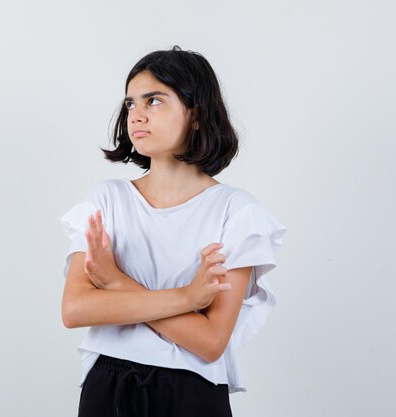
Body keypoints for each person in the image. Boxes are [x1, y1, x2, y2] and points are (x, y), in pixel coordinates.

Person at [58, 46, 287, 417]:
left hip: (192, 393)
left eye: (154, 100)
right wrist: (188, 298)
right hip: (108, 388)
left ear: (196, 115)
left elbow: (211, 342)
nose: (137, 115)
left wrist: (116, 281)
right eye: (131, 103)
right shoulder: (107, 200)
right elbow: (75, 309)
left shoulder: (237, 212)